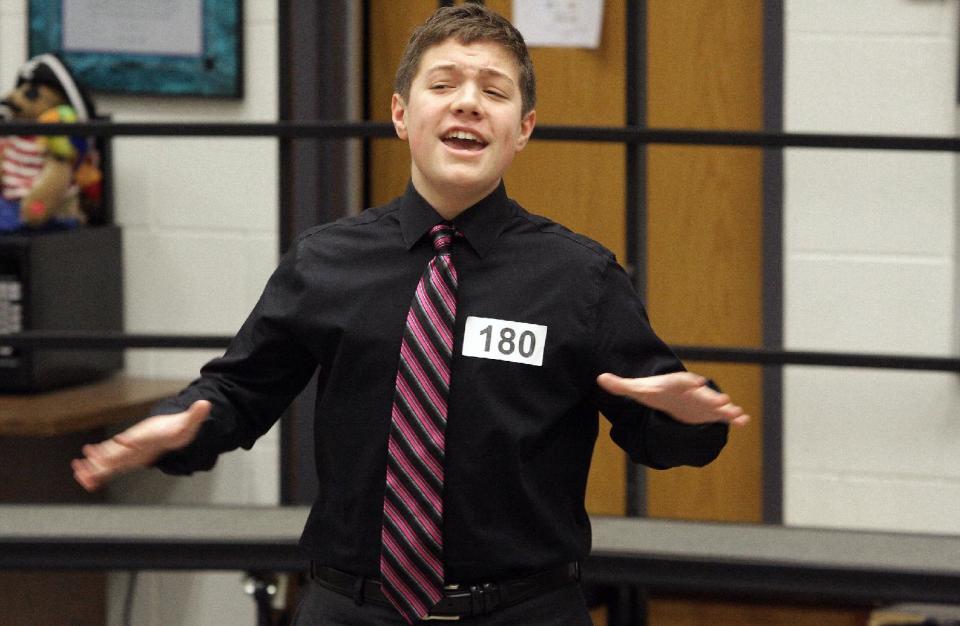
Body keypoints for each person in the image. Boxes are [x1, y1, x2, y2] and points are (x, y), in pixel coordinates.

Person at [72, 5, 749, 624]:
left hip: (524, 610)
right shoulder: (326, 261)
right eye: (444, 83)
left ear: (524, 129)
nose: (468, 103)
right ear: (401, 115)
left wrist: (686, 415)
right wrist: (176, 427)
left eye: (493, 91)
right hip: (351, 607)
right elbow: (237, 393)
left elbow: (662, 431)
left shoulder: (581, 278)